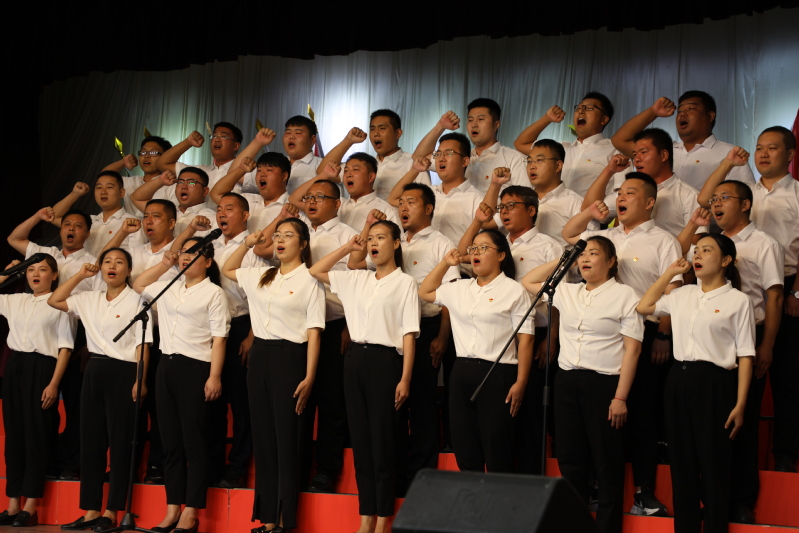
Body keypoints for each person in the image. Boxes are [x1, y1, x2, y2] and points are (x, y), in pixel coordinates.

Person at [562, 172, 683, 517]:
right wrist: (590, 213)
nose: (621, 198)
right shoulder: (604, 237)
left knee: (640, 412)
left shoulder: (663, 240)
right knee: (598, 421)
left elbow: (672, 290)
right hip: (597, 330)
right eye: (619, 193)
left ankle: (644, 491)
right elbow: (568, 235)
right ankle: (593, 488)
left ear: (649, 202)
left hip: (643, 331)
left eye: (630, 193)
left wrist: (663, 334)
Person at [679, 175, 784, 522]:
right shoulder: (709, 244)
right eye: (714, 200)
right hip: (710, 335)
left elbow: (773, 296)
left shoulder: (764, 243)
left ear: (745, 205)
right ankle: (710, 498)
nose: (716, 204)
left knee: (743, 421)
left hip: (749, 334)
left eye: (724, 198)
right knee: (712, 427)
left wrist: (767, 344)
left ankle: (741, 500)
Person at [522, 236, 644, 533]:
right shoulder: (567, 291)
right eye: (582, 255)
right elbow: (528, 281)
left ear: (611, 261)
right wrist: (563, 261)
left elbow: (633, 350)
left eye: (593, 253)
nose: (585, 259)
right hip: (566, 382)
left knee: (606, 463)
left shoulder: (626, 295)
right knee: (570, 460)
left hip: (605, 385)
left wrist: (620, 397)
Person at [637, 235, 755, 533]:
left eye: (707, 250)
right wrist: (669, 272)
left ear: (726, 260)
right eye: (696, 251)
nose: (698, 255)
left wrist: (741, 404)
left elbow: (745, 355)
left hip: (715, 383)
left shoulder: (738, 300)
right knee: (682, 465)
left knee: (714, 466)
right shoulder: (683, 294)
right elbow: (644, 306)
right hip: (678, 379)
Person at [310, 221, 419, 533]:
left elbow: (409, 333)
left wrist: (405, 378)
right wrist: (348, 247)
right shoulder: (356, 279)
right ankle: (365, 516)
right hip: (355, 359)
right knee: (360, 441)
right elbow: (315, 270)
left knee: (382, 441)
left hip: (386, 361)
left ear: (396, 244)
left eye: (381, 238)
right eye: (370, 238)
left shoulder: (405, 283)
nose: (373, 243)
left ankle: (383, 517)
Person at [348, 183, 459, 489]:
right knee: (391, 406)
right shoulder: (389, 238)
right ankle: (393, 473)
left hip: (425, 328)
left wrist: (443, 336)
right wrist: (369, 228)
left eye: (411, 202)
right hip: (387, 331)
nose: (404, 207)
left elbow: (449, 294)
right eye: (401, 203)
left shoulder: (440, 243)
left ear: (429, 208)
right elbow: (355, 264)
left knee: (421, 402)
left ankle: (420, 475)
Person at [253, 179, 358, 494]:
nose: (311, 201)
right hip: (293, 330)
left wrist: (351, 325)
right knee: (296, 407)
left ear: (337, 204)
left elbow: (360, 284)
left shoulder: (348, 236)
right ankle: (294, 475)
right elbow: (261, 253)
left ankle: (325, 470)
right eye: (308, 197)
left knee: (330, 401)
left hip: (335, 324)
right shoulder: (293, 232)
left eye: (320, 197)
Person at [221, 218, 324, 533]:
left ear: (302, 244)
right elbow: (228, 268)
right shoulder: (262, 275)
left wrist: (309, 376)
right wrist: (248, 242)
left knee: (287, 438)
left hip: (291, 356)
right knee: (264, 438)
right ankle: (267, 517)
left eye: (288, 235)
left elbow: (314, 332)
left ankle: (284, 518)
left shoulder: (310, 279)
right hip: (260, 355)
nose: (280, 239)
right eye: (277, 235)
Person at [460, 174, 564, 474]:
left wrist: (552, 337)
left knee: (528, 410)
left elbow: (559, 297)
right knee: (498, 414)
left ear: (531, 210)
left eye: (511, 206)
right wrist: (479, 222)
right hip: (496, 335)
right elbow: (461, 254)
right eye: (501, 207)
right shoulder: (493, 244)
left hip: (535, 332)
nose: (503, 212)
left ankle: (528, 479)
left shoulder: (548, 247)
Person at [48, 248, 153, 533]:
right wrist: (80, 275)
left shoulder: (138, 300)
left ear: (128, 270)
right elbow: (54, 300)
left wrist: (141, 379)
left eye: (119, 262)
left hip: (125, 371)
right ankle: (91, 510)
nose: (112, 266)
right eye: (107, 261)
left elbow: (142, 345)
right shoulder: (89, 298)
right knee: (91, 442)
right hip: (95, 369)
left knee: (120, 443)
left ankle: (111, 511)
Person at [133, 238, 230, 533]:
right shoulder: (169, 286)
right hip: (166, 366)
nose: (186, 257)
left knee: (193, 442)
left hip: (196, 367)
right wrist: (165, 263)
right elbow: (139, 284)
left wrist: (214, 376)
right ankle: (172, 507)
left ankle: (191, 510)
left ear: (208, 262)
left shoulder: (214, 293)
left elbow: (219, 339)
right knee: (170, 442)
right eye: (184, 253)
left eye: (194, 253)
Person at [419, 230, 534, 474]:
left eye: (483, 248)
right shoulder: (460, 288)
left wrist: (521, 381)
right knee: (465, 447)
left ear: (501, 255)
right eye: (473, 248)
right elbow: (425, 292)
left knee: (497, 449)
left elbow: (525, 340)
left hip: (498, 373)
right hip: (462, 371)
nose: (475, 253)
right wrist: (446, 263)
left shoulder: (514, 291)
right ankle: (472, 497)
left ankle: (499, 498)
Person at [172, 193, 257, 488]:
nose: (222, 214)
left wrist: (251, 335)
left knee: (241, 403)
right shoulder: (208, 245)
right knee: (210, 403)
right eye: (219, 209)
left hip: (241, 327)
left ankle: (237, 467)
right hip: (203, 332)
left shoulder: (253, 248)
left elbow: (260, 296)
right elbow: (174, 258)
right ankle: (210, 465)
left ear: (245, 215)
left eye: (229, 209)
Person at [7, 204, 96, 480]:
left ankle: (68, 462)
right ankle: (44, 463)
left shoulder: (92, 262)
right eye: (66, 224)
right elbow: (14, 238)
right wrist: (37, 216)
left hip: (78, 333)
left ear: (88, 233)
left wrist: (90, 345)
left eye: (78, 226)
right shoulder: (46, 255)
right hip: (43, 333)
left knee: (74, 403)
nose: (71, 229)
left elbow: (97, 305)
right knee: (37, 411)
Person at [0, 255, 75, 528]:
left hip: (43, 367)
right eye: (31, 269)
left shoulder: (60, 304)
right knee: (14, 436)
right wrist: (11, 272)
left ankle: (30, 506)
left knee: (36, 436)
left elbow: (65, 348)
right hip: (15, 366)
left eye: (42, 269)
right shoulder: (15, 300)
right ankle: (12, 504)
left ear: (54, 275)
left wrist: (54, 384)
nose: (35, 274)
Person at [750, 126, 799, 472]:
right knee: (745, 376)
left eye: (772, 148)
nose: (763, 154)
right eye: (759, 148)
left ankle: (785, 457)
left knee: (786, 378)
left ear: (791, 155)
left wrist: (797, 292)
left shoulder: (797, 194)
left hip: (788, 285)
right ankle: (743, 459)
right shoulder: (742, 193)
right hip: (745, 290)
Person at [611, 93, 755, 191]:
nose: (683, 114)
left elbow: (746, 197)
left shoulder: (730, 154)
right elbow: (619, 140)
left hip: (705, 226)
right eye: (680, 111)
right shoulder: (664, 151)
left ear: (710, 116)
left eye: (691, 108)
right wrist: (653, 112)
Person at [582, 128, 703, 240]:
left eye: (644, 152)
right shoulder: (628, 193)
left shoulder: (689, 195)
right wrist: (609, 171)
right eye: (634, 154)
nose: (637, 159)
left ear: (664, 155)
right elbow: (588, 209)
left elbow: (695, 242)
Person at [388, 131, 485, 251]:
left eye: (448, 153)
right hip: (421, 257)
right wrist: (415, 170)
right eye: (438, 154)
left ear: (464, 161)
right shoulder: (429, 193)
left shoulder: (477, 199)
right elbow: (393, 198)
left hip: (456, 260)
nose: (441, 158)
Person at [514, 92, 619, 197]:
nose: (581, 111)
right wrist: (547, 118)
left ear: (604, 119)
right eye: (578, 108)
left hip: (590, 207)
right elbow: (521, 143)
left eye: (589, 108)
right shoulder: (560, 149)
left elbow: (619, 192)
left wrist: (595, 206)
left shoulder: (614, 150)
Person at [156, 122, 243, 207]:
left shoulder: (243, 173)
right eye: (214, 136)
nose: (217, 139)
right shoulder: (199, 171)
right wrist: (188, 142)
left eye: (224, 136)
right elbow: (163, 163)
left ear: (236, 146)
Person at [129, 168, 216, 237]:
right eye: (180, 182)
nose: (184, 186)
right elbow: (136, 198)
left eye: (191, 183)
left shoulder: (212, 219)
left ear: (205, 191)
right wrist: (160, 180)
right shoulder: (166, 211)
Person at [102, 135, 174, 217]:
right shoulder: (130, 182)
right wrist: (123, 163)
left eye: (153, 152)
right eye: (143, 152)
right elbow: (103, 178)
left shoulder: (170, 185)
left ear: (165, 157)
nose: (146, 156)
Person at [282, 116, 323, 194]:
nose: (291, 137)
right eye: (288, 133)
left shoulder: (321, 166)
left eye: (298, 133)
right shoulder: (276, 165)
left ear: (312, 139)